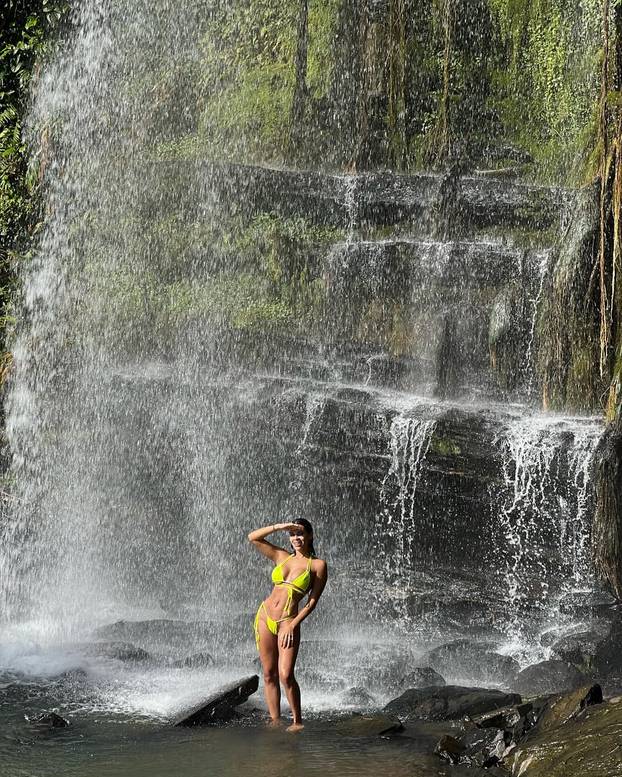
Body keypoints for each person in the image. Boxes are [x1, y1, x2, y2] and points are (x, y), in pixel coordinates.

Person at [247, 518, 328, 731]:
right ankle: (275, 720)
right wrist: (279, 527)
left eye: (300, 533)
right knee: (268, 673)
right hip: (264, 616)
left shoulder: (317, 565)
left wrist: (293, 625)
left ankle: (297, 721)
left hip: (287, 622)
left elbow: (312, 603)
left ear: (310, 535)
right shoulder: (281, 556)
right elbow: (253, 537)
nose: (296, 538)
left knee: (286, 674)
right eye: (292, 534)